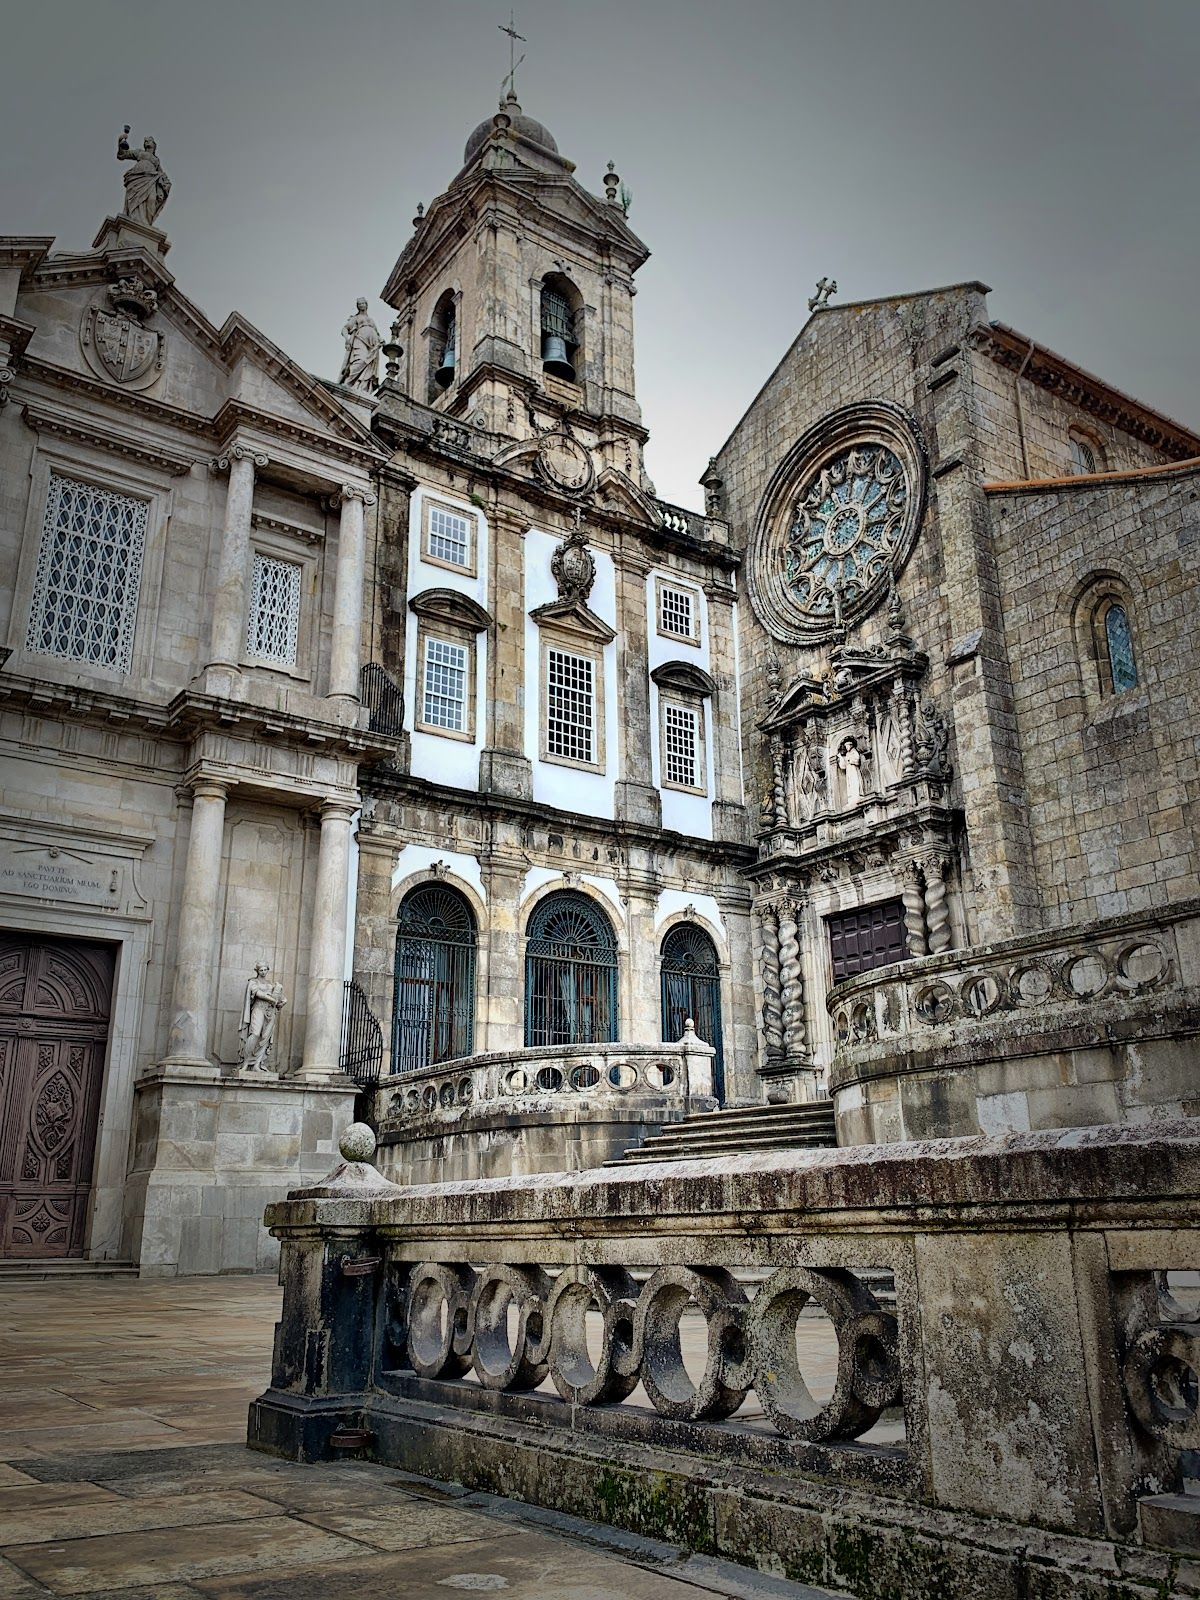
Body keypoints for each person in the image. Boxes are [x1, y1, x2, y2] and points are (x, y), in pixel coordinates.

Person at [116, 127, 170, 227]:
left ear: (154, 145)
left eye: (149, 140)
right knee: (134, 198)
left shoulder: (156, 160)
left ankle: (145, 223)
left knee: (151, 200)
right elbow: (122, 155)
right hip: (137, 177)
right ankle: (133, 218)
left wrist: (166, 183)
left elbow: (161, 174)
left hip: (151, 179)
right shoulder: (139, 152)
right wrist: (120, 141)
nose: (146, 142)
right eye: (145, 141)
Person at [238, 964, 287, 1073]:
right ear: (257, 971)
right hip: (259, 1008)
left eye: (265, 970)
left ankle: (257, 1064)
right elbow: (258, 993)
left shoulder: (271, 984)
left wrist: (283, 1002)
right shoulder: (253, 982)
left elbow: (281, 997)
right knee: (255, 1034)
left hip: (270, 1011)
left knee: (265, 1037)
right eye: (261, 970)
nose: (263, 972)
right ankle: (246, 1062)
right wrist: (271, 999)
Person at [340, 299, 383, 392]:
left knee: (369, 365)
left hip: (373, 345)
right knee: (360, 360)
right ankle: (348, 382)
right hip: (360, 340)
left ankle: (363, 387)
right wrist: (347, 340)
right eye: (359, 304)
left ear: (366, 305)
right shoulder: (356, 318)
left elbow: (377, 333)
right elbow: (345, 329)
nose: (361, 305)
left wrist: (381, 340)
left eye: (363, 303)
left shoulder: (371, 319)